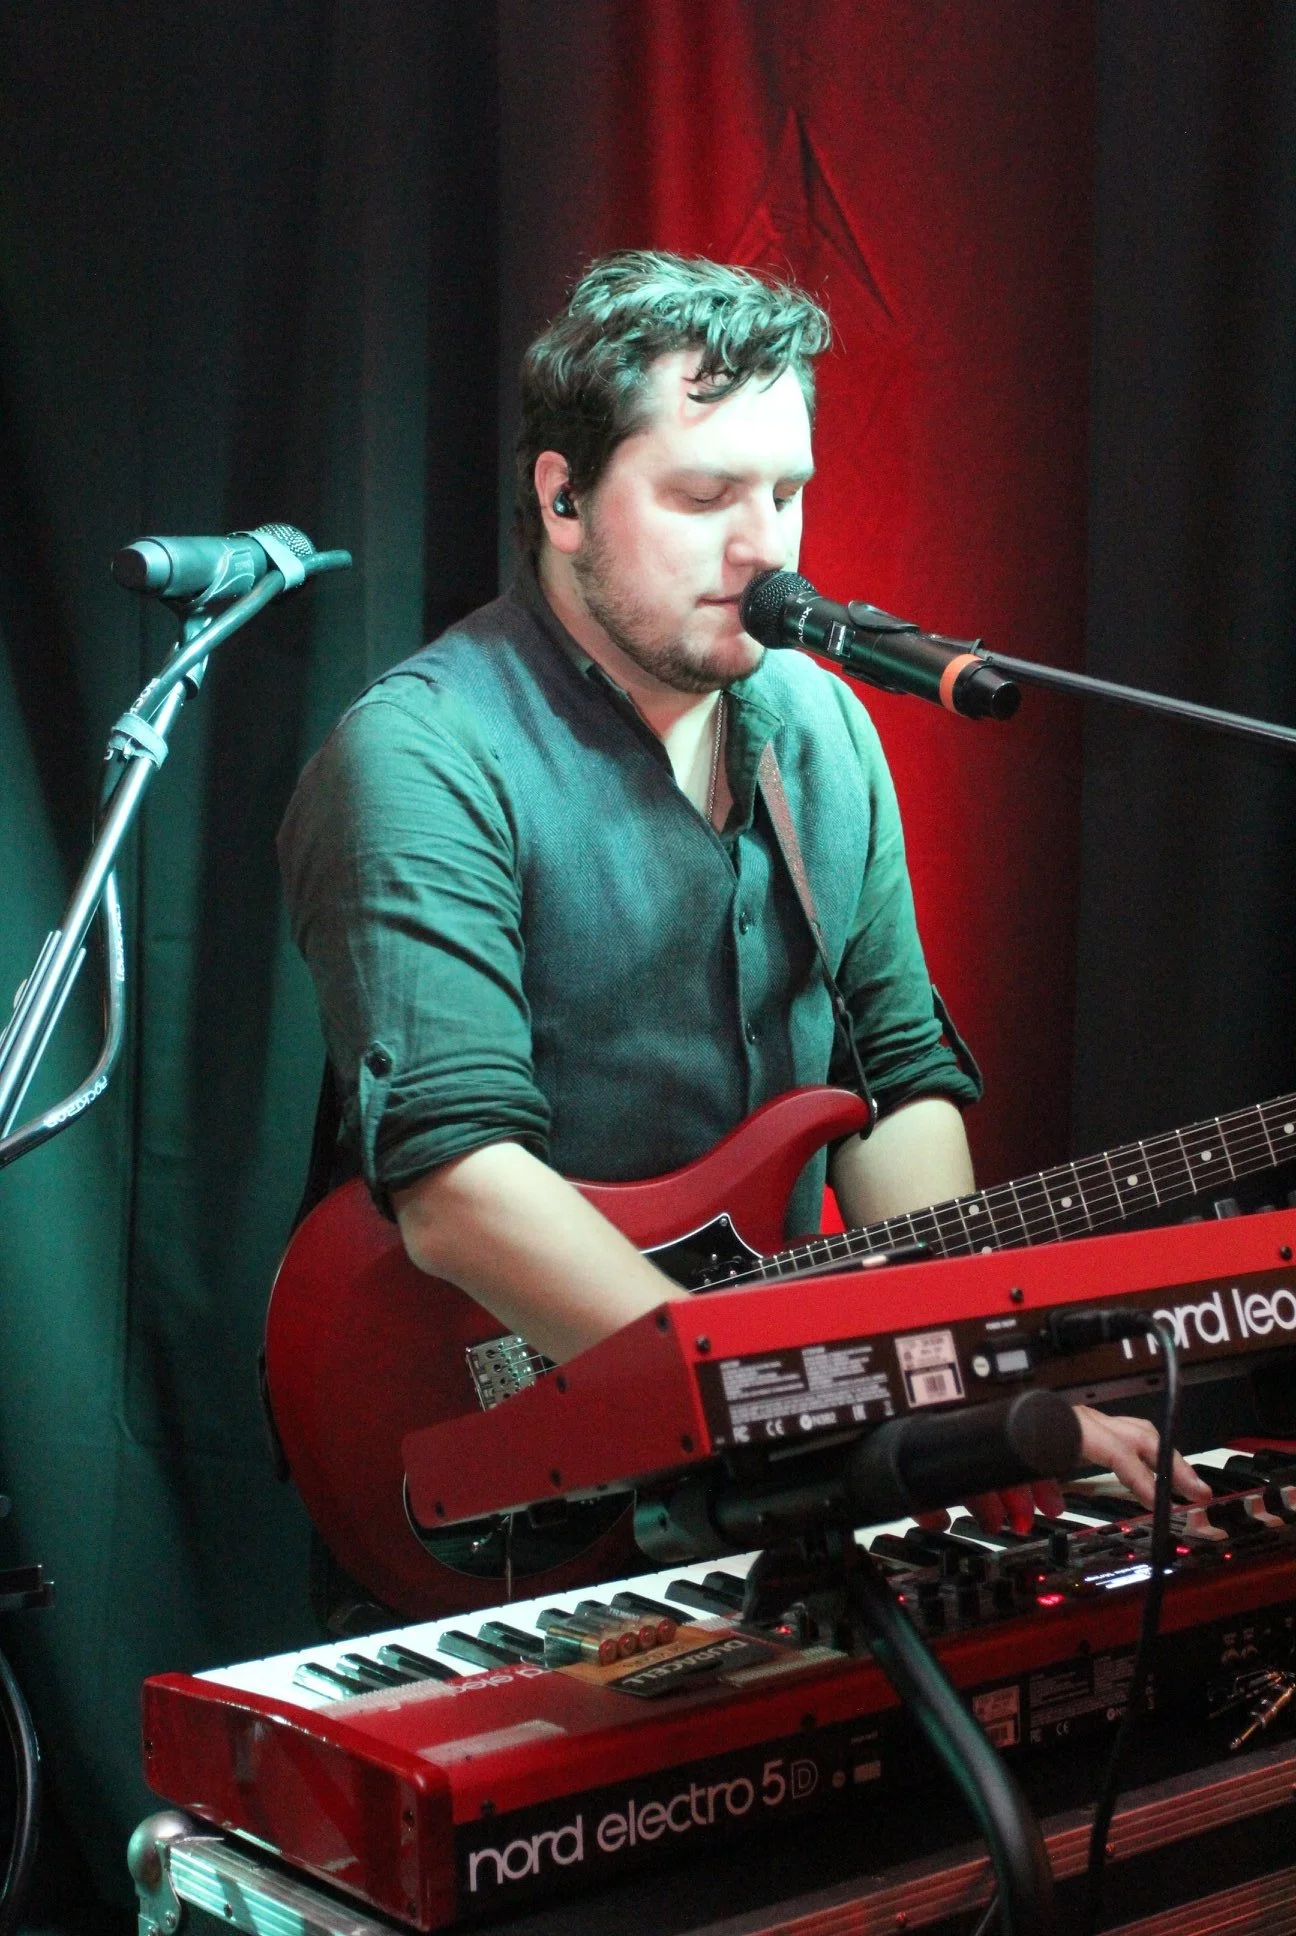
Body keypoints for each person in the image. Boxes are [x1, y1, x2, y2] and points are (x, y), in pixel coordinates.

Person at [278, 250, 1207, 1532]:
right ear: (563, 499)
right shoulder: (424, 753)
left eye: (786, 493)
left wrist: (977, 1390)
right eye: (704, 494)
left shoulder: (822, 726)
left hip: (782, 1452)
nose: (764, 548)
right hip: (503, 1462)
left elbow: (892, 1083)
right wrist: (807, 1403)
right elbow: (462, 1190)